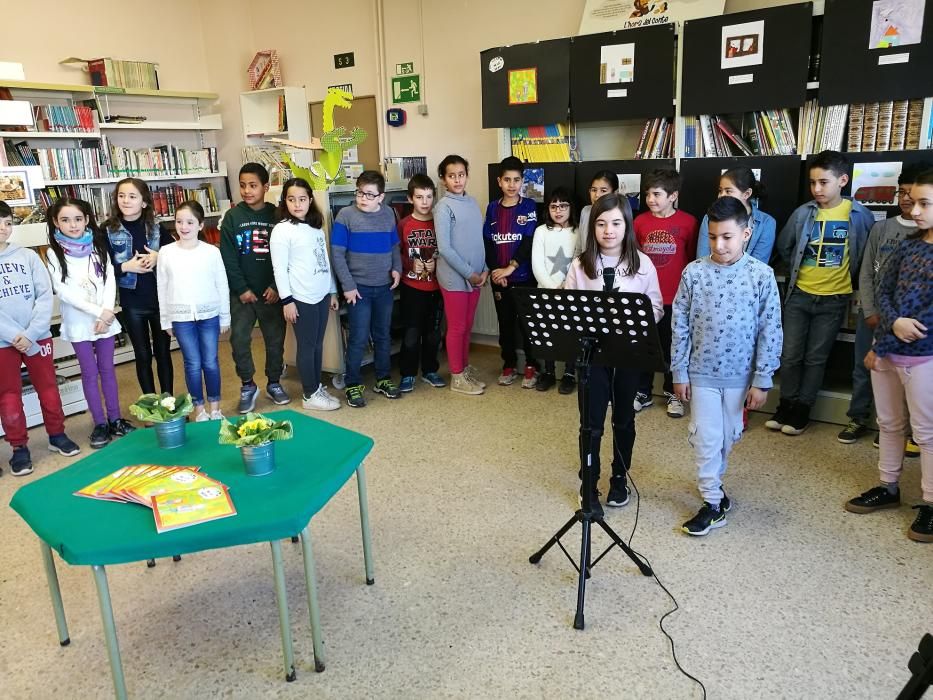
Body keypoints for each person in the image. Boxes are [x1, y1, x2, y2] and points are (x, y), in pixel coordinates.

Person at [672, 197, 782, 536]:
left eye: (728, 237)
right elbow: (680, 324)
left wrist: (763, 379)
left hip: (740, 377)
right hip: (700, 374)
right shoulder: (694, 272)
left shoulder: (761, 275)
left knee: (727, 436)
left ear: (746, 234)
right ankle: (712, 503)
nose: (719, 245)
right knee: (707, 437)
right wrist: (679, 372)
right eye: (713, 237)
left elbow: (770, 328)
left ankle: (715, 489)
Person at [844, 169, 933, 543]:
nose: (915, 210)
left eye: (925, 203)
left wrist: (906, 328)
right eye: (913, 201)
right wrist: (886, 334)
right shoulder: (909, 246)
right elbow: (884, 292)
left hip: (924, 357)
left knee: (926, 433)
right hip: (888, 350)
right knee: (889, 424)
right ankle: (888, 486)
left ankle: (930, 503)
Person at [564, 193, 662, 515]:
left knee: (624, 419)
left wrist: (635, 322)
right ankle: (588, 482)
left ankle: (619, 477)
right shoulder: (581, 265)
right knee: (590, 423)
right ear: (592, 228)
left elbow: (656, 306)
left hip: (629, 353)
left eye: (616, 223)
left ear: (627, 226)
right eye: (601, 224)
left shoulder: (642, 263)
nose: (609, 230)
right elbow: (568, 305)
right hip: (593, 355)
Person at [768, 150, 875, 436]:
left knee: (816, 357)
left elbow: (865, 253)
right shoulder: (803, 213)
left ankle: (803, 408)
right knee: (790, 354)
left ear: (842, 180)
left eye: (823, 182)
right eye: (813, 183)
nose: (817, 189)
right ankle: (786, 405)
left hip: (834, 299)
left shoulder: (859, 215)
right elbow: (785, 245)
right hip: (799, 295)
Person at [45, 198, 135, 449]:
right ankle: (100, 423)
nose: (72, 225)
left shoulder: (98, 246)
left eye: (77, 219)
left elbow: (109, 281)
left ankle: (115, 418)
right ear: (55, 222)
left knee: (108, 370)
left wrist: (106, 312)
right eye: (65, 219)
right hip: (80, 323)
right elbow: (63, 292)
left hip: (104, 320)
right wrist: (99, 312)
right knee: (89, 372)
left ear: (86, 220)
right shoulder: (53, 253)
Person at [0, 201, 80, 475]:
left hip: (37, 337)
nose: (4, 228)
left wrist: (32, 333)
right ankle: (19, 448)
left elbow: (45, 296)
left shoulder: (29, 257)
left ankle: (57, 435)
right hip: (3, 342)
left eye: (8, 222)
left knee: (48, 388)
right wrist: (14, 335)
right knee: (9, 396)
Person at [220, 162, 290, 414]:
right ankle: (248, 385)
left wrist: (275, 286)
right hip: (243, 294)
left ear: (266, 187)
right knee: (239, 339)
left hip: (271, 293)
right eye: (242, 185)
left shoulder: (277, 215)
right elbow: (227, 257)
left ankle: (274, 382)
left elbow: (285, 256)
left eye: (253, 185)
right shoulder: (232, 217)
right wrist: (241, 288)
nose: (247, 190)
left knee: (274, 341)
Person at [331, 170, 402, 407]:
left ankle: (382, 378)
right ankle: (353, 384)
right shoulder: (345, 215)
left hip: (384, 287)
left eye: (370, 195)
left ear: (381, 197)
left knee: (383, 335)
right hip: (358, 289)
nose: (363, 198)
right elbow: (338, 255)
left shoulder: (389, 214)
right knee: (359, 338)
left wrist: (397, 269)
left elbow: (394, 247)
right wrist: (347, 286)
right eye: (360, 192)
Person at [270, 178, 341, 411]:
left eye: (302, 199)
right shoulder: (282, 230)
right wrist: (287, 301)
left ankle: (316, 386)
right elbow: (279, 269)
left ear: (310, 200)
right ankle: (310, 395)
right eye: (291, 199)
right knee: (307, 345)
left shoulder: (315, 227)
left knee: (318, 344)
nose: (297, 204)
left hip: (321, 295)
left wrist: (331, 291)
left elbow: (325, 261)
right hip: (301, 298)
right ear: (285, 201)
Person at [633, 167, 699, 418]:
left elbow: (693, 259)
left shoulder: (689, 222)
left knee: (674, 348)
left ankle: (673, 393)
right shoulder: (639, 222)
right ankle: (643, 391)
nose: (651, 199)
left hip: (675, 299)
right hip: (646, 298)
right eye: (648, 194)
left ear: (673, 196)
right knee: (645, 347)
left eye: (657, 194)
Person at [157, 201, 230, 421]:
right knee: (192, 363)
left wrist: (224, 316)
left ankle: (215, 407)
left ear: (200, 225)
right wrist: (165, 320)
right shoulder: (166, 252)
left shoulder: (211, 252)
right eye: (179, 222)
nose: (184, 226)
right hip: (181, 318)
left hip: (209, 315)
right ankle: (199, 409)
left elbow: (222, 284)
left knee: (210, 361)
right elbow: (162, 287)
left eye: (190, 222)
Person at [104, 177, 175, 396]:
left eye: (132, 196)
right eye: (121, 195)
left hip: (159, 300)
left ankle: (168, 402)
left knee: (163, 353)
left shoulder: (156, 227)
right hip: (132, 302)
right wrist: (125, 266)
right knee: (142, 355)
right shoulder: (107, 230)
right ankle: (150, 404)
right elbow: (101, 269)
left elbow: (175, 256)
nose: (125, 200)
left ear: (144, 202)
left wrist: (158, 257)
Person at [435, 154, 489, 395]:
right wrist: (470, 274)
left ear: (467, 175)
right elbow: (445, 248)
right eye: (451, 176)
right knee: (457, 327)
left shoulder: (472, 202)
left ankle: (464, 369)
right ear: (443, 179)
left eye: (461, 175)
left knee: (467, 325)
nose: (457, 180)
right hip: (455, 277)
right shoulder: (443, 207)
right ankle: (456, 377)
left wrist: (484, 268)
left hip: (476, 276)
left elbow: (478, 239)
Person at [484, 156, 539, 388]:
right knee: (505, 324)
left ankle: (531, 367)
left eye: (516, 180)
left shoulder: (529, 206)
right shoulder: (492, 208)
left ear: (522, 181)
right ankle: (508, 365)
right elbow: (488, 242)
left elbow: (528, 242)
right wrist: (497, 271)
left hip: (523, 277)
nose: (512, 184)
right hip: (500, 280)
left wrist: (510, 268)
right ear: (499, 181)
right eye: (507, 179)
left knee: (527, 324)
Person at [397, 173, 446, 393]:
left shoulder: (439, 222)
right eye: (419, 197)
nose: (425, 202)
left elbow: (448, 251)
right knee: (411, 333)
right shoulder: (403, 224)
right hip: (412, 287)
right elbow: (395, 254)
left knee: (433, 333)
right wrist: (408, 264)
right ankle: (407, 374)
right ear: (410, 199)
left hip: (437, 287)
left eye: (428, 197)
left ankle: (429, 370)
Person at [531, 185, 579, 393]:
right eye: (554, 206)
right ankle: (549, 371)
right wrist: (553, 288)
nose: (558, 210)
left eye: (563, 206)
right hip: (546, 292)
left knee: (570, 333)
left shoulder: (578, 232)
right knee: (547, 333)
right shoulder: (541, 231)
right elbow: (537, 264)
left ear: (571, 208)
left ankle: (569, 373)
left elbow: (580, 262)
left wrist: (567, 287)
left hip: (572, 293)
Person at [696, 167, 776, 263]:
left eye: (728, 191)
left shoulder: (766, 223)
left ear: (747, 194)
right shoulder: (709, 218)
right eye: (720, 190)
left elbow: (758, 265)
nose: (721, 195)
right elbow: (702, 258)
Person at [576, 170, 618, 256]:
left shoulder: (619, 215)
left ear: (615, 193)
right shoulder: (585, 211)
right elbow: (579, 247)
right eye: (593, 190)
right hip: (585, 265)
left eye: (603, 190)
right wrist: (575, 267)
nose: (597, 195)